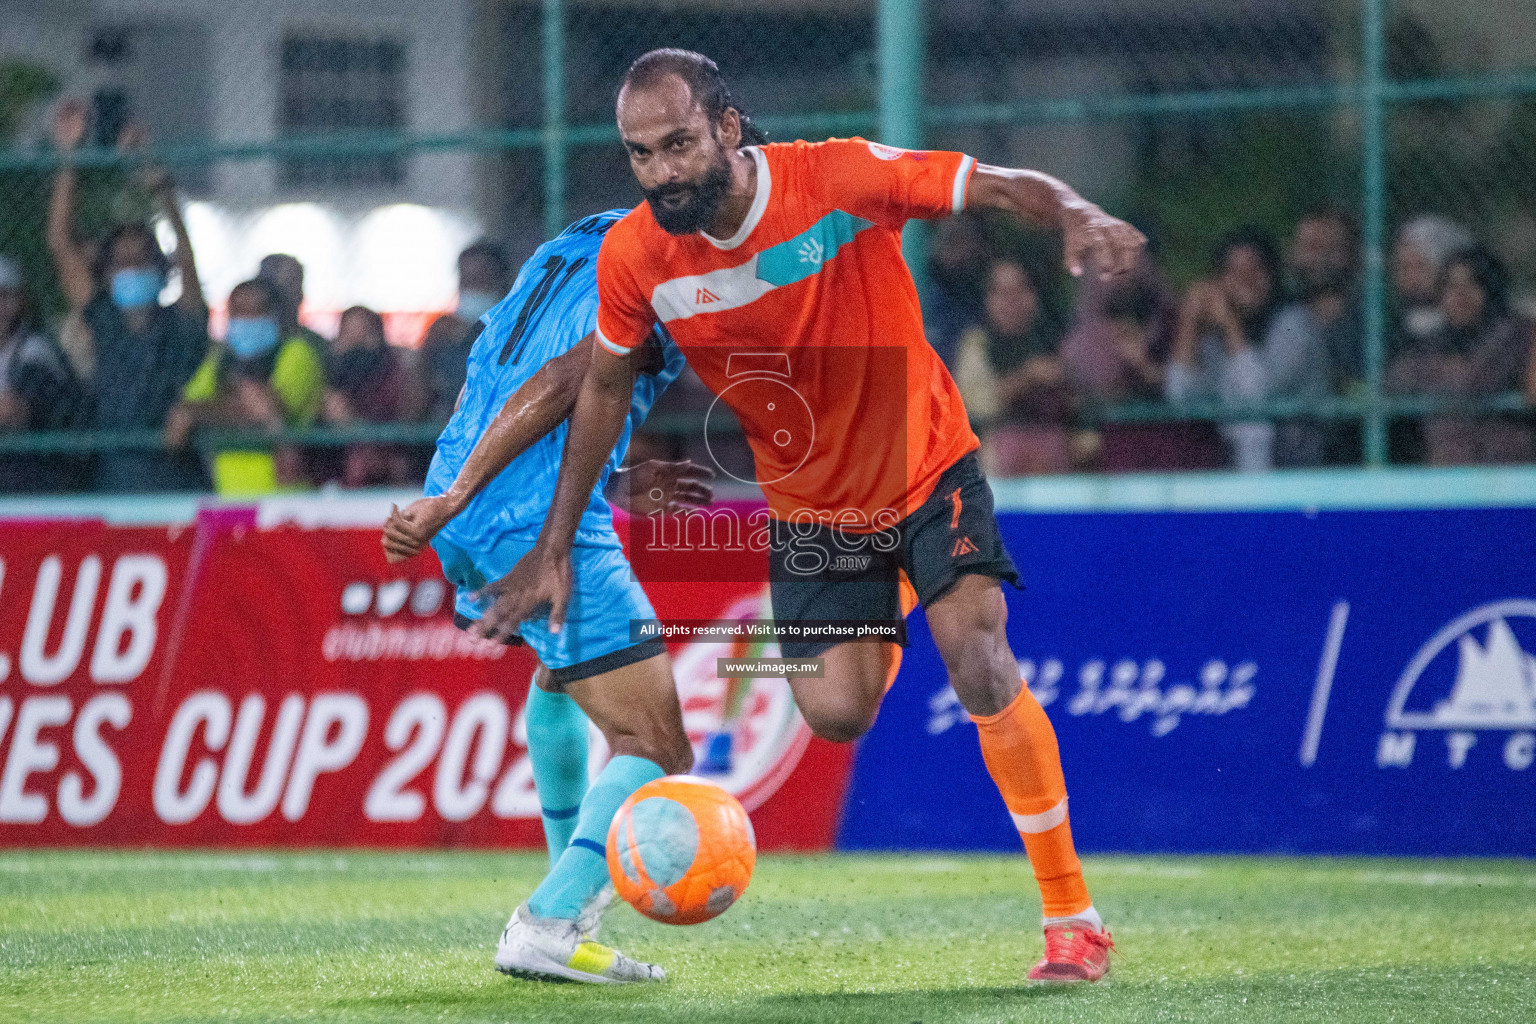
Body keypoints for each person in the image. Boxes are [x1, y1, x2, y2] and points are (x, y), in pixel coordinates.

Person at [476, 49, 1147, 984]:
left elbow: (988, 184)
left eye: (678, 144)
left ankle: (1073, 918)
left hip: (925, 467)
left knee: (980, 658)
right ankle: (908, 592)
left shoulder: (835, 177)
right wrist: (556, 542)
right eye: (641, 154)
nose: (662, 170)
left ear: (729, 127)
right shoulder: (636, 255)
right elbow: (600, 387)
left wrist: (1072, 209)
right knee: (834, 712)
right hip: (813, 515)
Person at [379, 209, 715, 984]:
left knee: (560, 673)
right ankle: (551, 919)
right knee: (656, 743)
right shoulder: (678, 267)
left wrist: (461, 498)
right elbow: (564, 379)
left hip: (472, 495)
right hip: (521, 512)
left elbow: (506, 362)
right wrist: (468, 501)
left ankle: (568, 910)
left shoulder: (573, 238)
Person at [47, 101, 209, 491]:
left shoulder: (182, 323)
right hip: (116, 475)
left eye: (141, 260)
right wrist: (70, 159)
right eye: (120, 262)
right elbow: (61, 246)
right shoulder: (105, 320)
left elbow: (187, 259)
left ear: (160, 268)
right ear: (106, 273)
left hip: (174, 474)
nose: (131, 268)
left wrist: (160, 186)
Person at [165, 277, 325, 494]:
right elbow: (189, 401)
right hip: (227, 497)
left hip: (285, 498)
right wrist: (200, 410)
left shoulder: (297, 353)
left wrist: (200, 413)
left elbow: (266, 409)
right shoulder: (221, 358)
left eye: (256, 312)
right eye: (238, 312)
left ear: (276, 315)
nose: (246, 320)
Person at [1386, 246, 1535, 465]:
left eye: (1472, 284)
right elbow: (1393, 382)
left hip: (1508, 476)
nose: (1459, 296)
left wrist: (1432, 373)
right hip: (1448, 478)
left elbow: (1476, 379)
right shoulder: (1434, 342)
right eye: (1450, 287)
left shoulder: (1516, 332)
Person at [1167, 227, 1286, 472]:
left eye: (1256, 269)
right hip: (1228, 483)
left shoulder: (1293, 324)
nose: (1246, 280)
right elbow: (1179, 397)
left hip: (1293, 479)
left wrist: (1229, 322)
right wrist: (1189, 319)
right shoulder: (1215, 339)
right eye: (1234, 271)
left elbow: (1256, 397)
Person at [952, 259, 1075, 475]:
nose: (1012, 300)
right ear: (988, 300)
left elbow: (1085, 402)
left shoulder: (1057, 337)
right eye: (1001, 292)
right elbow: (977, 405)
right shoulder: (977, 342)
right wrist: (1026, 377)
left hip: (1058, 454)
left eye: (1021, 289)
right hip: (996, 455)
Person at [0, 254, 85, 491]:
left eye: (6, 296)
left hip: (40, 477)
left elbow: (12, 411)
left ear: (20, 301)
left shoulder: (35, 349)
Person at [317, 305, 415, 488]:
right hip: (337, 469)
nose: (357, 344)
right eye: (350, 336)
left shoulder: (395, 372)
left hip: (390, 462)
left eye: (364, 336)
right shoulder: (326, 375)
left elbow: (407, 414)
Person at [420, 240, 513, 422]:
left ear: (501, 280)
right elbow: (420, 400)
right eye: (466, 279)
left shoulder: (516, 326)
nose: (471, 287)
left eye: (479, 279)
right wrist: (430, 345)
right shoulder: (443, 332)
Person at [257, 253, 329, 353]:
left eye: (291, 284)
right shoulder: (242, 343)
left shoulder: (313, 345)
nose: (281, 296)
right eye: (277, 286)